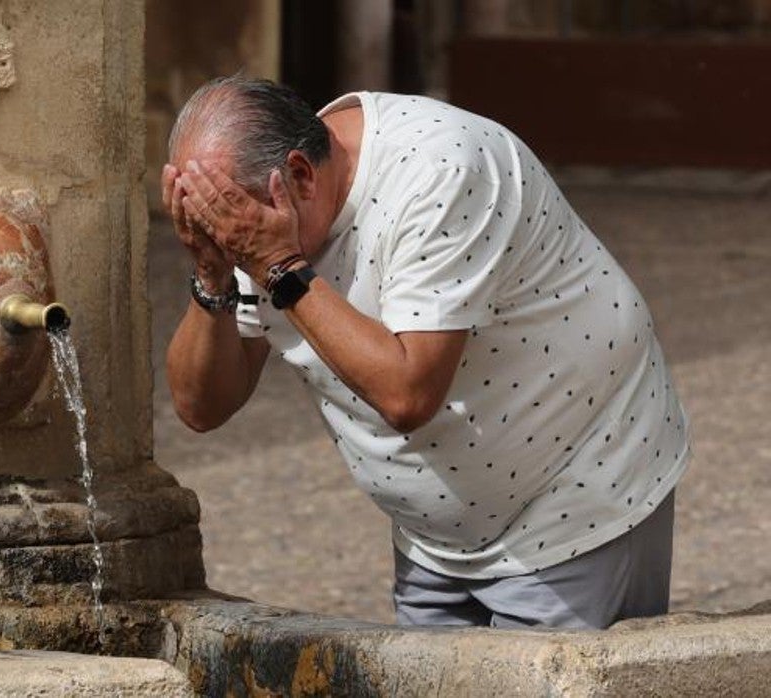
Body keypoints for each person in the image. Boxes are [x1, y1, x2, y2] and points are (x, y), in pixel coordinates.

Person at [162, 76, 690, 629]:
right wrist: (213, 272)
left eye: (230, 230)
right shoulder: (250, 217)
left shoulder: (440, 171)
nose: (228, 239)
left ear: (299, 175)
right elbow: (202, 407)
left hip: (574, 503)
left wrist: (279, 267)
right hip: (432, 543)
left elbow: (408, 392)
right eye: (208, 224)